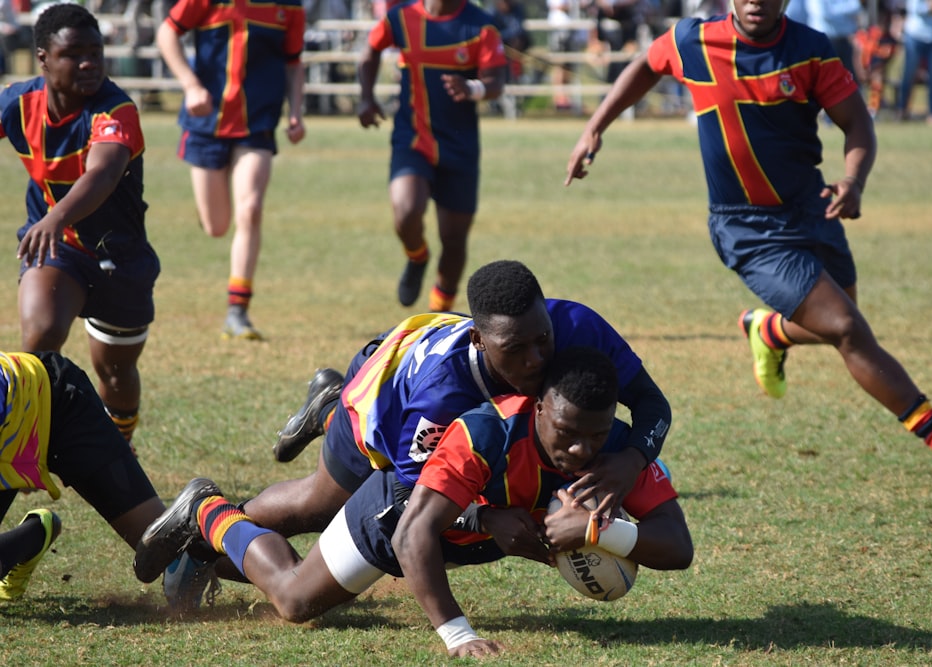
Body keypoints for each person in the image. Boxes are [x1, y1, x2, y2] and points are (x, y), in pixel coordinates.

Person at [565, 0, 932, 486]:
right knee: (847, 328)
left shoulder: (810, 51)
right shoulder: (694, 42)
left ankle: (770, 332)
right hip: (746, 227)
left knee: (843, 319)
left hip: (813, 207)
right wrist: (594, 128)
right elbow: (646, 64)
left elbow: (857, 124)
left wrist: (854, 180)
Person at [161, 260, 672, 608]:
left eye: (543, 340)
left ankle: (324, 409)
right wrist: (489, 515)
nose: (537, 360)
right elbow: (411, 487)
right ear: (481, 340)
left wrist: (630, 460)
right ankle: (214, 510)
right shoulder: (443, 394)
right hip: (385, 409)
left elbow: (653, 404)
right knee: (319, 507)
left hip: (423, 387)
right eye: (516, 350)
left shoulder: (578, 327)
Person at [133, 347, 694, 658]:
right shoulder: (486, 434)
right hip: (400, 510)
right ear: (539, 408)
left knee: (300, 557)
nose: (581, 450)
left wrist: (597, 532)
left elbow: (678, 545)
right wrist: (458, 634)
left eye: (595, 436)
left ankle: (222, 533)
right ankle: (207, 511)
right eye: (568, 434)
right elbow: (412, 534)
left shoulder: (616, 453)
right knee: (295, 596)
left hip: (464, 528)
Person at [0, 2, 160, 446]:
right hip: (58, 247)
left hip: (119, 255)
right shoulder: (17, 102)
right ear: (43, 58)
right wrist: (54, 224)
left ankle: (119, 442)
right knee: (40, 337)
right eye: (74, 54)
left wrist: (55, 215)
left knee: (115, 369)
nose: (89, 63)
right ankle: (16, 444)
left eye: (96, 51)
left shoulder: (116, 110)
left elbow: (103, 174)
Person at [155, 0, 307, 340]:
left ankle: (237, 312)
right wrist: (190, 85)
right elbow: (167, 33)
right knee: (217, 226)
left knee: (250, 210)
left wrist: (296, 112)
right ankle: (211, 209)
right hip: (206, 123)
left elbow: (294, 63)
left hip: (258, 124)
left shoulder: (290, 6)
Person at [357, 0, 508, 312]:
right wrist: (366, 98)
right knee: (406, 210)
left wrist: (473, 88)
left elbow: (497, 82)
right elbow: (370, 52)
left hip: (460, 146)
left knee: (453, 240)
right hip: (412, 138)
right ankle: (417, 255)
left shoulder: (481, 26)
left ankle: (438, 315)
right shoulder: (400, 18)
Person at [0, 351, 168, 600]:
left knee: (169, 546)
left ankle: (228, 521)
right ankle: (33, 535)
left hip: (51, 398)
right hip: (13, 425)